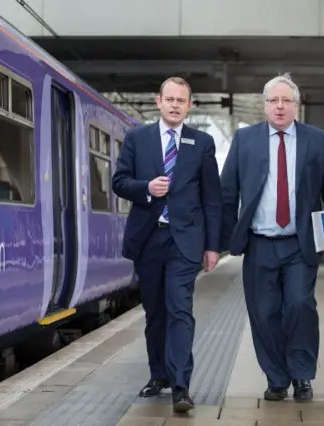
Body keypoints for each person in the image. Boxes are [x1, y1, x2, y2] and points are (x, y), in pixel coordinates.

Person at [220, 73, 324, 403]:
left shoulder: (317, 140)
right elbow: (227, 193)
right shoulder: (245, 140)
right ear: (264, 106)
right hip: (259, 243)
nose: (279, 106)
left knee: (300, 305)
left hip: (299, 243)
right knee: (264, 312)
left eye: (286, 100)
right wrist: (219, 240)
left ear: (296, 106)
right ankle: (277, 377)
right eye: (273, 101)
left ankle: (302, 374)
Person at [112, 76, 222, 413]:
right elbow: (118, 182)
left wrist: (213, 246)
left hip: (185, 242)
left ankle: (181, 386)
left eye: (181, 100)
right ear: (158, 101)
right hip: (149, 239)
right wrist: (147, 187)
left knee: (179, 310)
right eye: (169, 99)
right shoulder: (137, 138)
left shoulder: (202, 143)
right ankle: (158, 375)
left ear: (190, 106)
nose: (175, 105)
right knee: (155, 312)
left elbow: (212, 199)